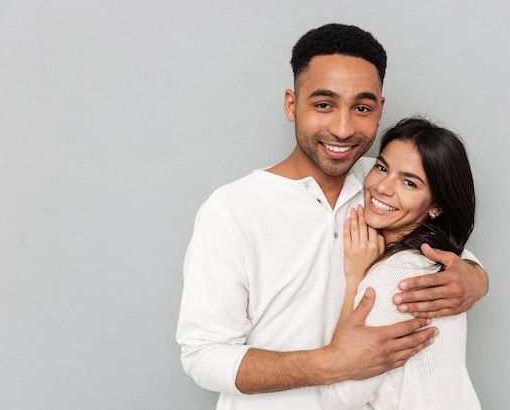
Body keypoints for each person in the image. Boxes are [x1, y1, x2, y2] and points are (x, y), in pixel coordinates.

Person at [176, 23, 488, 410]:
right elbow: (203, 356)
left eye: (361, 108)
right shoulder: (233, 209)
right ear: (292, 104)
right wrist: (330, 364)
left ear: (380, 109)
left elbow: (436, 242)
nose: (342, 129)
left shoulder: (382, 182)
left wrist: (475, 277)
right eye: (323, 105)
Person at [321, 117, 480, 409]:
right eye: (381, 168)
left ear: (436, 206)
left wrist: (356, 278)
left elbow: (336, 400)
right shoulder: (437, 263)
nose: (382, 187)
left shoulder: (395, 277)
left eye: (409, 182)